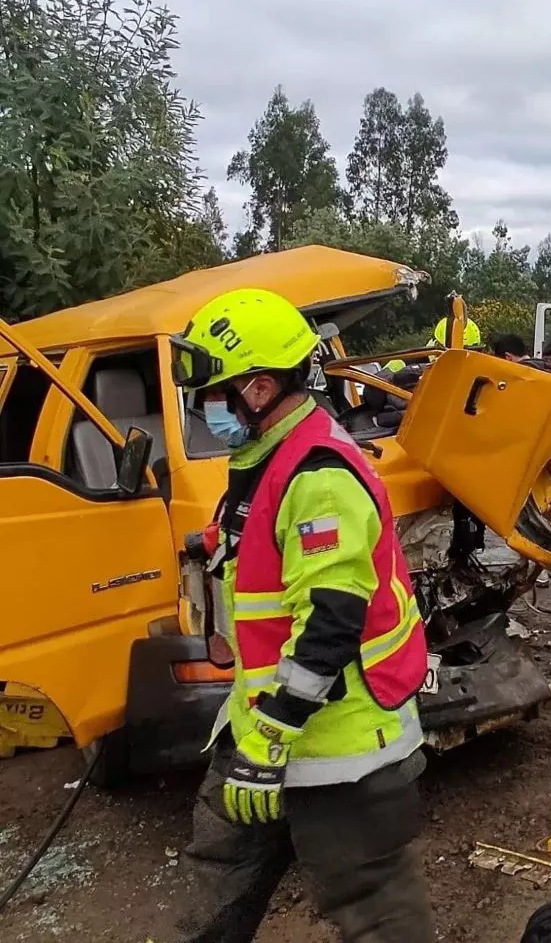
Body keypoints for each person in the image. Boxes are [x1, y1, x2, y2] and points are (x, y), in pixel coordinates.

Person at [167, 288, 433, 943]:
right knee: (214, 883)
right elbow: (269, 553)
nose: (206, 409)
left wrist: (270, 738)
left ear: (258, 389)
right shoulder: (265, 460)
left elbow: (332, 622)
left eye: (213, 392)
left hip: (340, 750)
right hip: (259, 729)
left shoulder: (319, 474)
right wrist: (217, 545)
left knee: (376, 913)